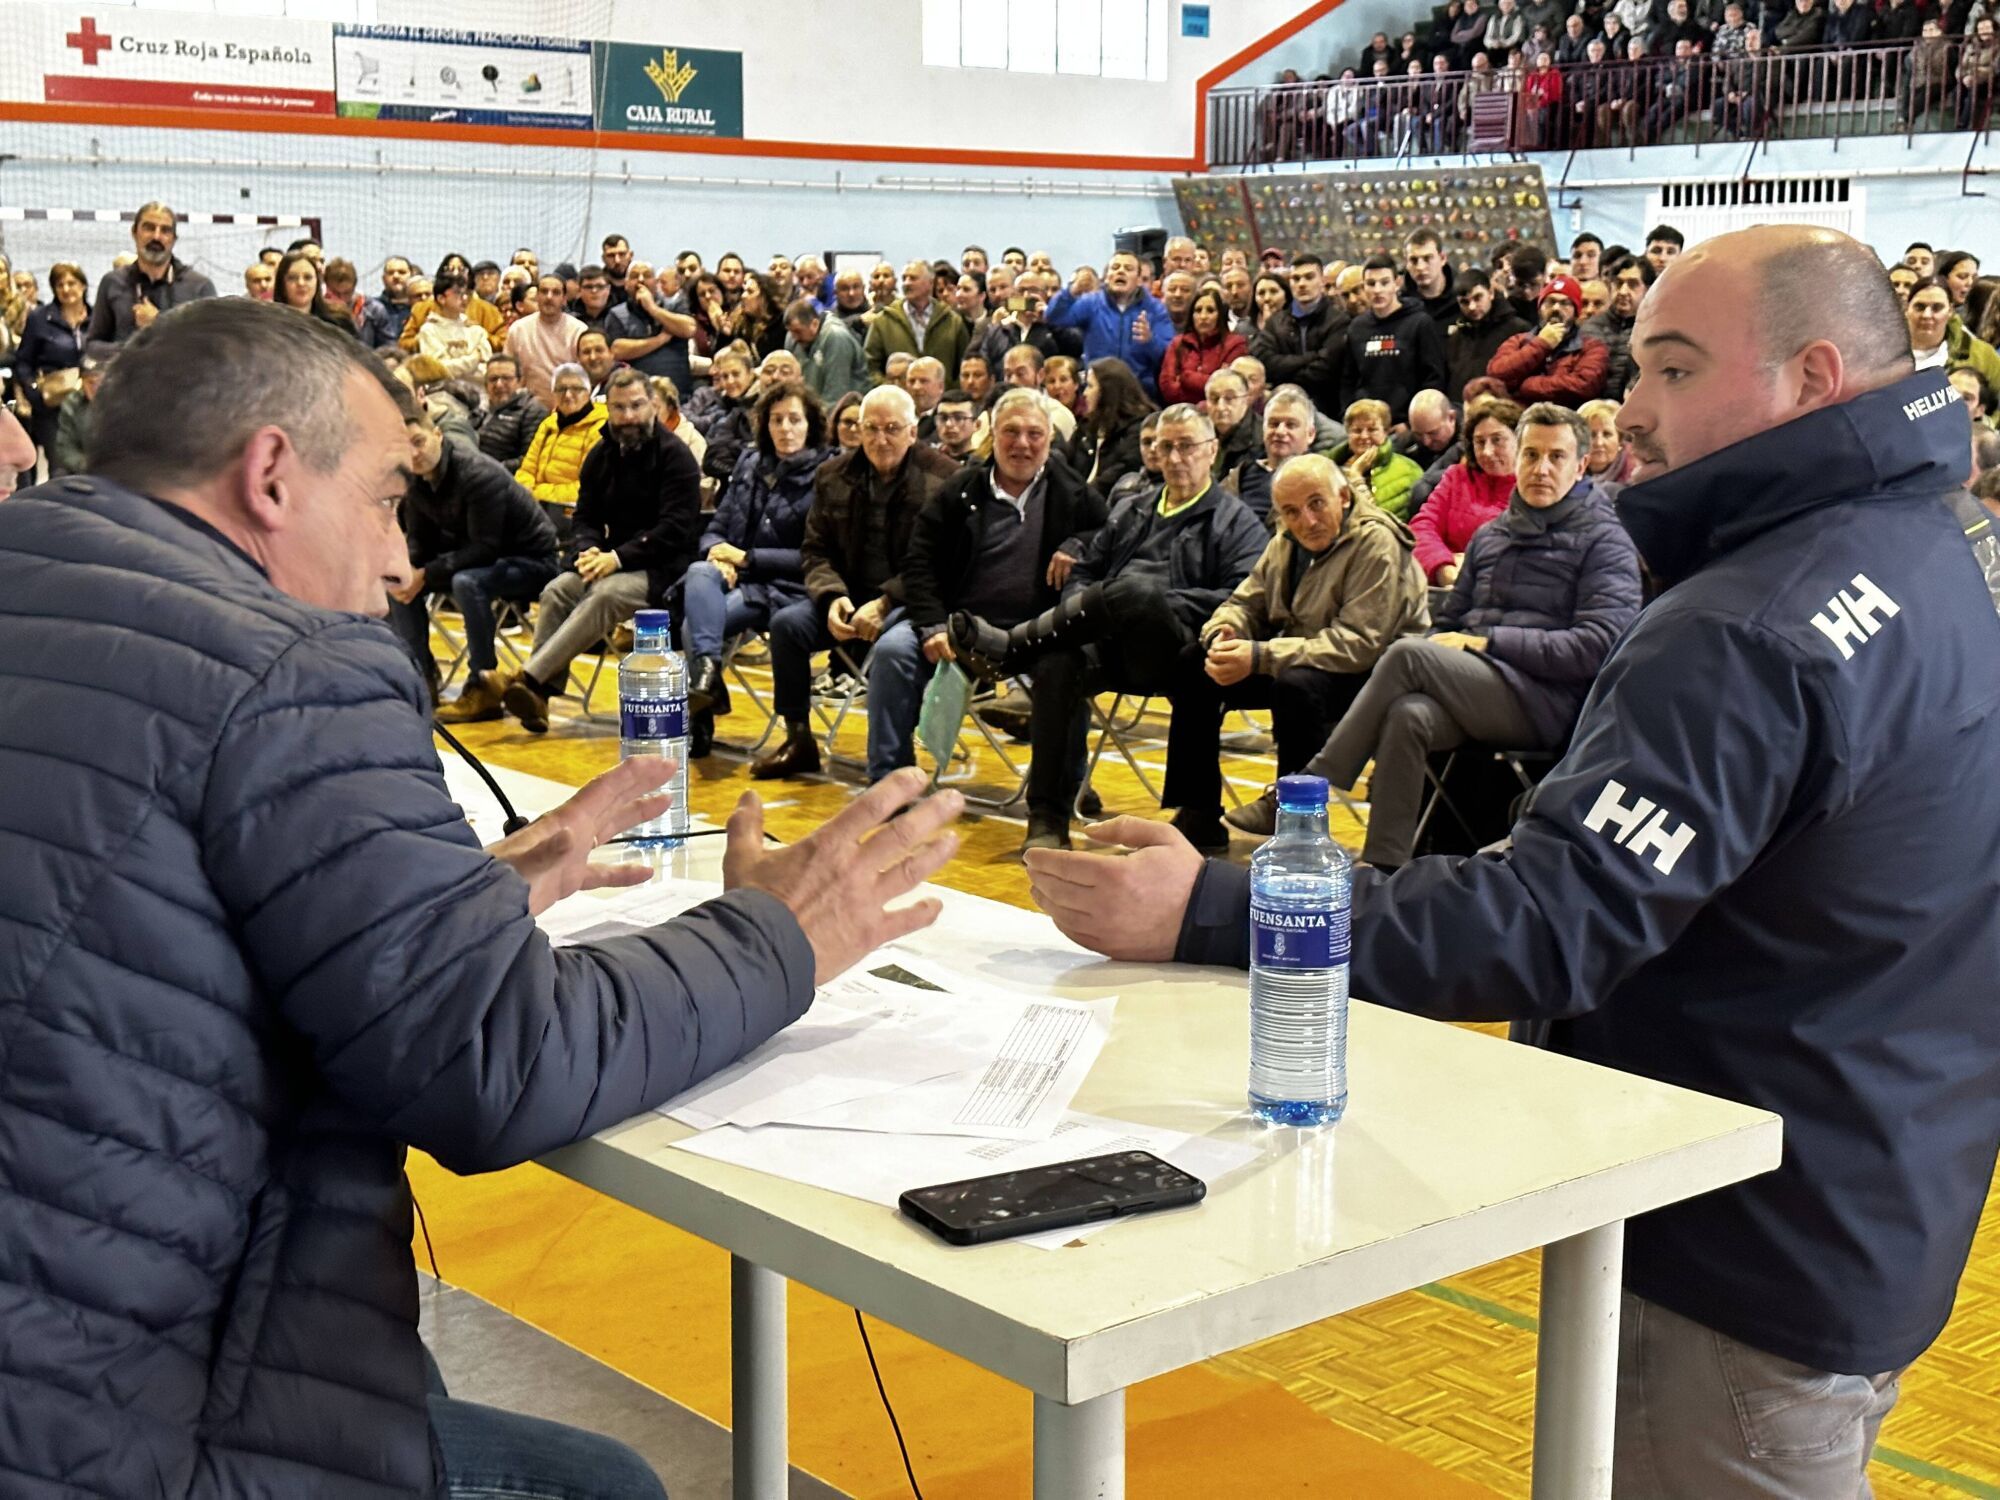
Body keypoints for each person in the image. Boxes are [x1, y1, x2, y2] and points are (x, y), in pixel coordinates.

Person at [1029, 225, 2000, 1500]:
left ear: (1808, 377)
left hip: (1739, 1243)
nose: (1621, 410)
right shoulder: (1932, 548)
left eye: (1665, 369)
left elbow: (1549, 922)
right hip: (1876, 1177)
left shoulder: (1749, 625)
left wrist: (1216, 902)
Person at [0, 292, 966, 1500]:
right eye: (386, 503)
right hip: (105, 1409)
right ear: (271, 478)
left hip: (67, 1305)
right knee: (604, 1484)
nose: (402, 559)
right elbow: (500, 1064)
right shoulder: (290, 668)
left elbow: (143, 914)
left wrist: (454, 901)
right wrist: (785, 930)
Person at [947, 403, 1268, 849]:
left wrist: (1147, 602)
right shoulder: (1133, 509)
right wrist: (1095, 606)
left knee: (1135, 592)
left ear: (1212, 451)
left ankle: (1012, 648)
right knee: (1059, 660)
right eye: (1165, 447)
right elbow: (1085, 569)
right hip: (1111, 643)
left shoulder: (1236, 522)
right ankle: (1047, 821)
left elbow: (1241, 598)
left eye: (1187, 447)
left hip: (1181, 651)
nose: (1174, 458)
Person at [1166, 453, 1430, 847]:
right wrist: (1223, 632)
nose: (1305, 520)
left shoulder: (1377, 543)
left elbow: (1358, 645)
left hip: (1378, 675)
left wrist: (1259, 656)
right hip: (1305, 655)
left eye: (1316, 504)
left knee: (1296, 685)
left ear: (1342, 496)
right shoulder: (1285, 542)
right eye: (1291, 511)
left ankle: (1296, 819)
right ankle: (1198, 811)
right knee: (1195, 662)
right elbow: (1246, 602)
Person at [896, 387, 1109, 792]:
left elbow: (1108, 533)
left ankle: (1069, 782)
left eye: (1035, 434)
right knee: (893, 652)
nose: (1023, 444)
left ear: (1049, 439)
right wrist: (932, 625)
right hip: (963, 628)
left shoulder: (1073, 491)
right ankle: (890, 775)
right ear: (991, 435)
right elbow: (919, 560)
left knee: (1070, 664)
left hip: (1041, 631)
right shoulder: (958, 491)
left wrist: (1077, 545)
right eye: (1011, 432)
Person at [750, 385, 962, 780]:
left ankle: (890, 771)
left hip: (914, 600)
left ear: (913, 432)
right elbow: (815, 550)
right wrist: (832, 597)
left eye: (892, 429)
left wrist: (884, 603)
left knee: (892, 649)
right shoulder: (832, 475)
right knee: (787, 625)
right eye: (871, 428)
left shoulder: (946, 479)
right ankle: (798, 739)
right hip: (848, 597)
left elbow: (943, 561)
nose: (881, 439)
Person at [499, 368, 705, 733]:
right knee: (558, 589)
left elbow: (675, 529)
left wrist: (617, 558)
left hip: (667, 570)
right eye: (619, 408)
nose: (628, 416)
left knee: (605, 595)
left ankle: (530, 679)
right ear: (607, 409)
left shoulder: (677, 457)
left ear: (653, 407)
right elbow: (586, 515)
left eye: (637, 406)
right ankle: (539, 700)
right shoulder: (601, 453)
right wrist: (589, 550)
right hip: (612, 560)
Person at [682, 382, 836, 749]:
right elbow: (716, 526)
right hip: (740, 578)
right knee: (699, 574)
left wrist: (748, 559)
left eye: (794, 420)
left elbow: (822, 554)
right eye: (776, 420)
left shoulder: (830, 472)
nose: (785, 428)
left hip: (789, 587)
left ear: (810, 424)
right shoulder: (750, 463)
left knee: (696, 623)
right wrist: (717, 552)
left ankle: (701, 715)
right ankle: (707, 681)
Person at [387, 402, 562, 713]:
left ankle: (483, 685)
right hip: (476, 559)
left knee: (466, 582)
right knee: (400, 582)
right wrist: (410, 571)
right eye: (405, 446)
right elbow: (419, 542)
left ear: (438, 435)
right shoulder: (415, 480)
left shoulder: (478, 474)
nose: (414, 453)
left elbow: (485, 548)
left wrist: (426, 574)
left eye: (419, 442)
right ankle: (421, 677)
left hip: (533, 561)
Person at [1411, 396, 1526, 583]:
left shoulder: (1534, 487)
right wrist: (1443, 568)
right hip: (1444, 584)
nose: (1487, 452)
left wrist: (1469, 566)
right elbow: (1422, 526)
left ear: (1520, 440)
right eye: (1480, 442)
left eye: (1497, 440)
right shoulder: (1457, 476)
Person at [1043, 249, 1175, 398]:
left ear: (1138, 280)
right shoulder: (1092, 303)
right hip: (1098, 391)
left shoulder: (1155, 309)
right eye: (1115, 267)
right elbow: (1054, 317)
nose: (1121, 272)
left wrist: (1150, 341)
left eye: (1128, 268)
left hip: (1140, 393)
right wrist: (1070, 291)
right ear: (1106, 277)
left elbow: (1168, 354)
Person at [86, 201, 217, 343]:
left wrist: (158, 323)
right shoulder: (112, 282)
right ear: (134, 233)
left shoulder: (199, 287)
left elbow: (213, 347)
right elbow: (93, 345)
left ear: (174, 239)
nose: (156, 236)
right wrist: (129, 352)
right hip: (129, 364)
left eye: (165, 230)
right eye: (149, 228)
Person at [1341, 256, 1448, 426]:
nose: (1377, 290)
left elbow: (1433, 378)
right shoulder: (1357, 327)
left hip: (1405, 425)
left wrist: (1410, 423)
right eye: (1371, 283)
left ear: (1396, 283)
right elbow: (1348, 380)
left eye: (1384, 282)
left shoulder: (1420, 323)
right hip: (1367, 425)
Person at [12, 260, 91, 469]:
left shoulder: (97, 317)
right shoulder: (40, 318)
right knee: (60, 467)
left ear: (83, 285)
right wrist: (34, 394)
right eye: (59, 285)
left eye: (71, 283)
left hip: (89, 405)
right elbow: (23, 361)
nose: (66, 289)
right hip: (52, 406)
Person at [1487, 274, 1611, 406]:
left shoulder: (1591, 347)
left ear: (1576, 312)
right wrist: (1541, 343)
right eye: (1550, 302)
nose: (1556, 308)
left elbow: (1584, 385)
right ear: (1540, 308)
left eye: (1565, 303)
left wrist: (1527, 386)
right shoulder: (1518, 341)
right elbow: (1496, 374)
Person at [1251, 253, 1347, 415]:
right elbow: (1265, 361)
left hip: (1327, 409)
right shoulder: (1275, 322)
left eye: (1309, 277)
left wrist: (1285, 376)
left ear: (1322, 281)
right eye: (1296, 279)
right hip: (1282, 408)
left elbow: (1326, 370)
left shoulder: (1338, 320)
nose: (1302, 284)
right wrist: (1311, 357)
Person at [513, 363, 606, 521]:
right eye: (561, 389)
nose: (568, 395)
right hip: (536, 507)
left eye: (576, 389)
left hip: (572, 513)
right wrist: (523, 490)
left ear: (588, 391)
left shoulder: (601, 427)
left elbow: (588, 487)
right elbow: (527, 469)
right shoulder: (548, 424)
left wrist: (536, 494)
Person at [864, 259, 971, 388]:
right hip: (899, 402)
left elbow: (965, 365)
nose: (907, 283)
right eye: (904, 278)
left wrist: (948, 392)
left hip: (941, 401)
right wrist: (891, 388)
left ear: (930, 283)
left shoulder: (952, 321)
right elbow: (870, 367)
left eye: (913, 278)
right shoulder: (884, 321)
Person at [605, 260, 698, 397]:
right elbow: (617, 350)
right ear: (626, 284)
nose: (641, 280)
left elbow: (689, 328)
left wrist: (652, 308)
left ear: (656, 282)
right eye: (635, 276)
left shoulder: (674, 306)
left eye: (647, 275)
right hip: (635, 398)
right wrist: (660, 340)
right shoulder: (616, 314)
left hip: (678, 396)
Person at [1069, 357, 1156, 499]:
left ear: (1108, 391)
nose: (1084, 394)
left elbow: (1119, 474)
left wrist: (1079, 498)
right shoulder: (1087, 424)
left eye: (1090, 387)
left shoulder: (1138, 429)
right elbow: (1066, 461)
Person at [1231, 383, 1321, 518]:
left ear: (1310, 434)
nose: (1280, 431)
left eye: (1291, 425)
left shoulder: (1322, 478)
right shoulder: (1240, 474)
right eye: (1273, 424)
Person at [1444, 267, 1532, 402]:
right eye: (1465, 302)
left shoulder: (1518, 329)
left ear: (1490, 293)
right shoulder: (1456, 338)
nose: (1472, 307)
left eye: (1477, 298)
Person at [1159, 286, 1251, 407]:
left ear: (1221, 315)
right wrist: (1209, 382)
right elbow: (1168, 389)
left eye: (1210, 310)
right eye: (1198, 310)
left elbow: (1225, 388)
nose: (1203, 316)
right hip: (1179, 413)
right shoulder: (1178, 343)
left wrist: (1186, 378)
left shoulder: (1236, 344)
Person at [1336, 398, 1426, 520]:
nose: (1364, 436)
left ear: (1386, 432)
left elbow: (1378, 524)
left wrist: (1356, 476)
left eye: (1372, 430)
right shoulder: (1330, 467)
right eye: (1357, 430)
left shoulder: (1409, 470)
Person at [503, 274, 585, 406]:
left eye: (556, 293)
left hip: (569, 407)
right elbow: (507, 371)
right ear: (537, 297)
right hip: (527, 409)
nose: (549, 297)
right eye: (544, 291)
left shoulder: (579, 331)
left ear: (564, 299)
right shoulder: (518, 329)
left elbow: (583, 378)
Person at [1584, 255, 1654, 399]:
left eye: (1632, 284)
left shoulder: (1655, 330)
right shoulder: (1591, 327)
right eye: (1618, 283)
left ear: (1648, 290)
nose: (1623, 291)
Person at [786, 297, 869, 406]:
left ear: (815, 324)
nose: (794, 338)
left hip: (847, 409)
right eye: (791, 333)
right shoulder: (793, 338)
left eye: (798, 332)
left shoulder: (836, 337)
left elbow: (836, 395)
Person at [50, 341, 114, 479]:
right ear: (82, 382)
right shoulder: (72, 403)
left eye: (99, 381)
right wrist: (85, 465)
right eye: (89, 382)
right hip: (84, 469)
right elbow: (65, 445)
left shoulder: (123, 402)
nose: (94, 387)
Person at [476, 353, 548, 470]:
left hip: (503, 479)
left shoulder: (532, 410)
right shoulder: (479, 409)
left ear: (519, 381)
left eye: (506, 378)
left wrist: (489, 469)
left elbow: (530, 459)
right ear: (486, 384)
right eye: (493, 379)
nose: (499, 384)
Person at [416, 270, 491, 381]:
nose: (464, 298)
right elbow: (439, 369)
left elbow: (487, 370)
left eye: (466, 293)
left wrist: (456, 366)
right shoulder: (429, 330)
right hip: (443, 394)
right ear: (441, 298)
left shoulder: (475, 330)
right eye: (458, 293)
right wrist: (474, 359)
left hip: (478, 392)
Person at [359, 254, 416, 348]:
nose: (396, 276)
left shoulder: (419, 308)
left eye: (402, 272)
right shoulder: (371, 309)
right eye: (390, 273)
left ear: (411, 276)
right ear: (383, 279)